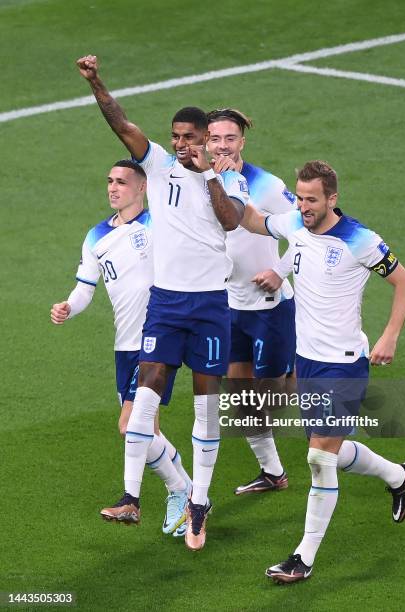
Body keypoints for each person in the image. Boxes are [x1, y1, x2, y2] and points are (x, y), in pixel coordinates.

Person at [76, 55, 249, 551]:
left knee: (205, 408)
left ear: (205, 140)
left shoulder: (228, 178)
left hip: (211, 304)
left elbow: (231, 221)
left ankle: (199, 499)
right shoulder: (155, 164)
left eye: (189, 137)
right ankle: (131, 497)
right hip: (167, 304)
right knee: (144, 400)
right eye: (176, 136)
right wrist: (96, 82)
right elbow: (121, 123)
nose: (180, 144)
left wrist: (208, 174)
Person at [242, 160, 405, 583]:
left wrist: (389, 336)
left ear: (332, 199)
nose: (303, 206)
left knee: (319, 458)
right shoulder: (295, 225)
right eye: (300, 198)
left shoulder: (359, 239)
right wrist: (225, 176)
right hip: (308, 362)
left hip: (344, 364)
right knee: (332, 453)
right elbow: (249, 218)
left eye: (312, 200)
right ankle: (399, 475)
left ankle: (302, 558)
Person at [50, 160, 191, 537]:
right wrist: (68, 306)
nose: (113, 188)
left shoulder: (159, 224)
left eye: (122, 182)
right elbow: (85, 288)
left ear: (141, 188)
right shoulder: (96, 236)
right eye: (110, 181)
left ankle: (151, 496)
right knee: (149, 433)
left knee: (131, 425)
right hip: (125, 344)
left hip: (158, 338)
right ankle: (187, 494)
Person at [206, 108, 296, 495]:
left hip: (270, 306)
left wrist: (279, 270)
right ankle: (273, 473)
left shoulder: (268, 186)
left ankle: (313, 365)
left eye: (230, 138)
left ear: (242, 141)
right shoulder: (199, 184)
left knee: (274, 399)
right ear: (205, 142)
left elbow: (308, 233)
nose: (223, 145)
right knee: (241, 396)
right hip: (227, 306)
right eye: (215, 139)